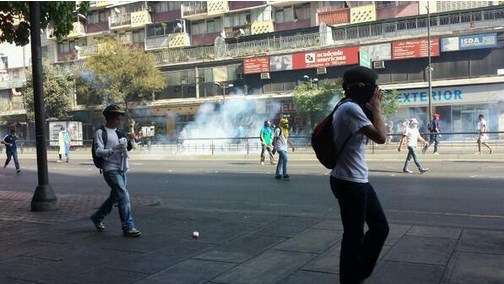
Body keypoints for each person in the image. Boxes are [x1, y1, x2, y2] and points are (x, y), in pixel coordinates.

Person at [330, 66, 389, 284]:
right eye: (374, 88)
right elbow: (381, 137)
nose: (376, 93)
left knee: (380, 227)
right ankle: (351, 278)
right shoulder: (350, 109)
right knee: (353, 236)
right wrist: (377, 108)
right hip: (349, 181)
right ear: (363, 88)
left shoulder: (349, 106)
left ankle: (357, 273)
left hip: (356, 179)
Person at [90, 104, 142, 237]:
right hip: (110, 168)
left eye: (120, 118)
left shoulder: (119, 132)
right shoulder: (101, 132)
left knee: (115, 197)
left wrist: (131, 139)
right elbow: (98, 151)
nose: (120, 121)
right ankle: (128, 226)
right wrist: (113, 150)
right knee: (124, 195)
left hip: (122, 168)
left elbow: (128, 148)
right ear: (110, 118)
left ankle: (97, 217)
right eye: (117, 118)